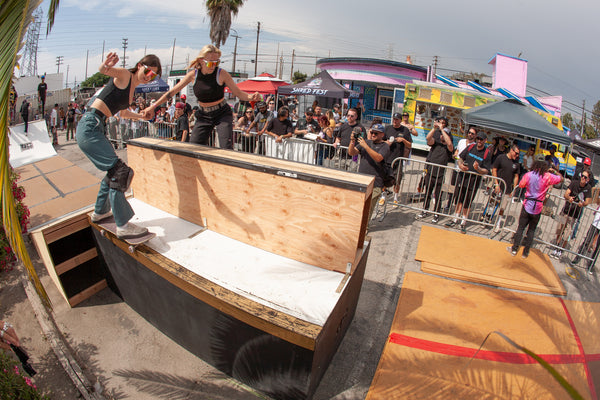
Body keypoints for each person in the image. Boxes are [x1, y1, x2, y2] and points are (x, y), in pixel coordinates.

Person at [76, 51, 161, 239]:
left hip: (96, 128)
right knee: (121, 172)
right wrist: (106, 64)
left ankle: (100, 212)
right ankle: (122, 224)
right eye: (148, 72)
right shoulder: (124, 75)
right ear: (140, 66)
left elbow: (122, 114)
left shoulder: (132, 90)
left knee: (112, 172)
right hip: (90, 125)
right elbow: (104, 70)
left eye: (153, 76)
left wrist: (141, 116)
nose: (149, 77)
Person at [143, 44, 260, 149]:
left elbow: (238, 93)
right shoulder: (193, 75)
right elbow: (171, 92)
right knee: (194, 146)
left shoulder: (221, 73)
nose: (213, 66)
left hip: (222, 113)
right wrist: (152, 107)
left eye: (216, 63)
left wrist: (251, 97)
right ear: (201, 61)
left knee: (225, 146)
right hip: (204, 115)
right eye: (210, 63)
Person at [508, 155, 563, 258]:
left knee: (520, 228)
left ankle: (515, 249)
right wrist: (554, 171)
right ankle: (526, 252)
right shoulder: (547, 176)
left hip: (527, 204)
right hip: (538, 206)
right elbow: (561, 179)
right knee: (532, 230)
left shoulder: (529, 175)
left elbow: (521, 185)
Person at [446, 130, 491, 232]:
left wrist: (478, 169)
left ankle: (463, 222)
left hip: (474, 180)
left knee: (468, 201)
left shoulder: (487, 153)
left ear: (485, 140)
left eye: (481, 139)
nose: (479, 141)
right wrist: (461, 165)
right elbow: (460, 157)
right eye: (478, 139)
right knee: (459, 198)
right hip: (463, 176)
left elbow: (486, 170)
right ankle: (455, 218)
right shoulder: (470, 147)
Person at [348, 123, 390, 220]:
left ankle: (364, 230)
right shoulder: (366, 142)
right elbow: (351, 152)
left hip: (375, 183)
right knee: (358, 207)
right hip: (362, 181)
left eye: (376, 133)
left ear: (382, 135)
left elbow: (378, 158)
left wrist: (366, 146)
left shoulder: (385, 146)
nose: (373, 134)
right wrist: (352, 141)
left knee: (367, 209)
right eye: (372, 132)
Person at [417, 116, 454, 223]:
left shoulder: (448, 136)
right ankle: (424, 210)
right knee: (427, 191)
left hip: (440, 171)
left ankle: (436, 213)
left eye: (443, 123)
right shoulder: (436, 134)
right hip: (431, 167)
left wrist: (442, 130)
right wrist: (434, 128)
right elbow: (428, 139)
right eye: (439, 122)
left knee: (438, 194)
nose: (440, 124)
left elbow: (450, 146)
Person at [551, 170, 592, 259]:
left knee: (567, 233)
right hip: (565, 211)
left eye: (585, 177)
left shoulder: (588, 188)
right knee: (559, 229)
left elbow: (588, 201)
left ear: (588, 179)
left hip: (574, 215)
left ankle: (561, 249)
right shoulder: (574, 183)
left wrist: (583, 203)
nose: (582, 178)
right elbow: (566, 194)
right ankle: (556, 246)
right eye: (582, 175)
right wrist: (569, 198)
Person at [490, 143, 521, 230]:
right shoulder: (501, 157)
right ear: (511, 150)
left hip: (507, 189)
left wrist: (514, 189)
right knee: (492, 203)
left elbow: (516, 176)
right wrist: (496, 183)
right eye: (516, 153)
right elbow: (494, 169)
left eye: (518, 154)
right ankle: (487, 219)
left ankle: (498, 223)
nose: (517, 155)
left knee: (503, 207)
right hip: (498, 186)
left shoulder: (516, 163)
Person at [385, 113, 412, 206]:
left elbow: (410, 145)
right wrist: (387, 142)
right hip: (387, 159)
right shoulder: (387, 128)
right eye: (394, 119)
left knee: (397, 180)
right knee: (385, 178)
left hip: (398, 159)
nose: (395, 121)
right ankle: (383, 196)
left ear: (400, 120)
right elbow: (381, 141)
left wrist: (403, 140)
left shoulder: (405, 130)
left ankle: (395, 198)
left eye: (397, 119)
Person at [570, 199, 600, 273]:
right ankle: (577, 259)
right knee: (587, 241)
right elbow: (597, 202)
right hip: (595, 224)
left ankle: (591, 266)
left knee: (598, 248)